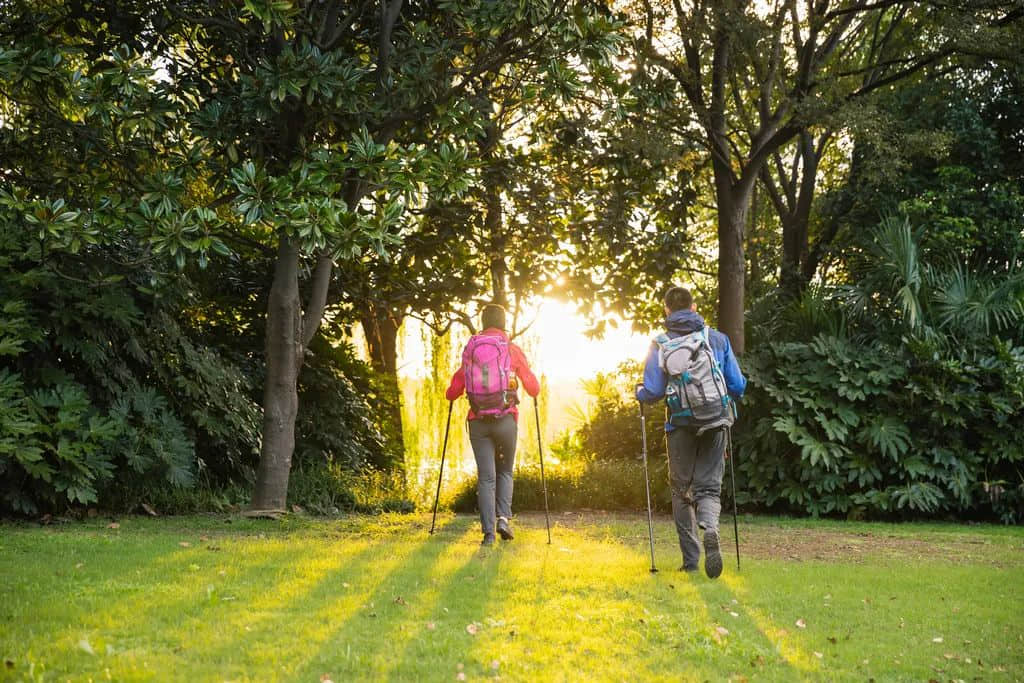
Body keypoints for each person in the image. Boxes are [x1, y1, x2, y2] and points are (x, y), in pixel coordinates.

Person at [635, 286, 746, 578]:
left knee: (681, 489)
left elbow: (654, 390)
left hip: (680, 424)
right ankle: (710, 527)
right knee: (709, 487)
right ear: (694, 307)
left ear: (666, 311)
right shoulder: (716, 339)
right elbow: (738, 385)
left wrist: (639, 393)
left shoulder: (660, 343)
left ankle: (691, 561)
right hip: (716, 420)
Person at [446, 303, 540, 546]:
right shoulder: (511, 349)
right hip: (506, 420)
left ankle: (488, 534)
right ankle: (503, 520)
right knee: (505, 471)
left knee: (486, 477)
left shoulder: (472, 349)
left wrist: (451, 393)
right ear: (504, 323)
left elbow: (455, 388)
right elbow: (533, 387)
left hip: (478, 421)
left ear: (483, 322)